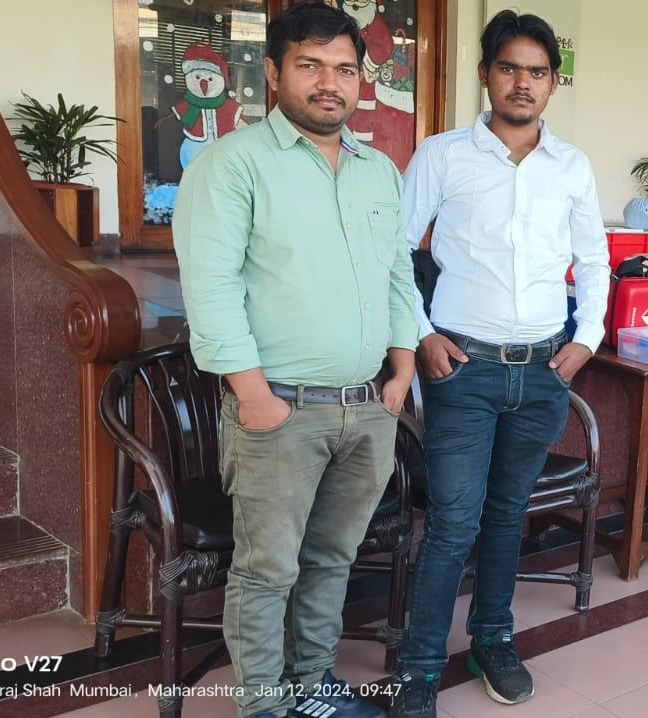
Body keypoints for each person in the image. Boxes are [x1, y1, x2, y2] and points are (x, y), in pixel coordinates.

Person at [173, 3, 413, 717]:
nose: (329, 83)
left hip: (367, 407)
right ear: (274, 72)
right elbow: (210, 290)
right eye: (310, 66)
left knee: (332, 559)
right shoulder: (232, 165)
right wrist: (253, 397)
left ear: (361, 79)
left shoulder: (379, 171)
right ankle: (264, 707)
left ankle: (311, 688)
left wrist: (399, 374)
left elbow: (398, 275)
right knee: (266, 571)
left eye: (344, 68)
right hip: (280, 411)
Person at [388, 10, 609, 717]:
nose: (523, 83)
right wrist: (422, 334)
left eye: (538, 72)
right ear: (486, 74)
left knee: (508, 515)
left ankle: (492, 638)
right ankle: (419, 669)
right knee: (454, 521)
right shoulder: (442, 155)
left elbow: (595, 259)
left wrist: (590, 338)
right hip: (465, 370)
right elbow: (395, 251)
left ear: (553, 83)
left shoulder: (571, 166)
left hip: (544, 370)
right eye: (509, 68)